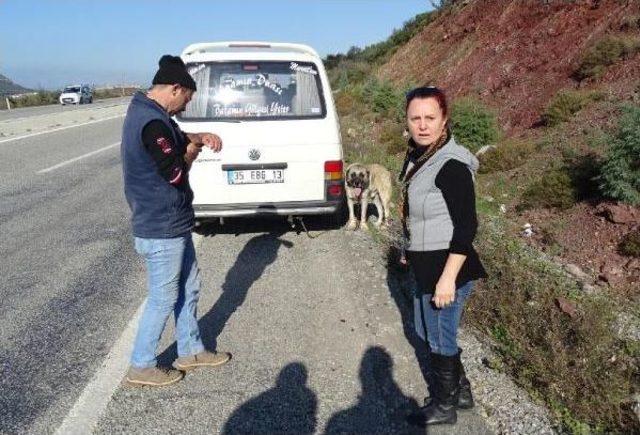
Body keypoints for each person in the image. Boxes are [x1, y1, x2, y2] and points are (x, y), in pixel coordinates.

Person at [121, 55, 231, 386]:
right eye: (187, 97)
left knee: (189, 285)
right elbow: (174, 171)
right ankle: (141, 365)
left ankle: (191, 349)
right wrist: (193, 153)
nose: (188, 103)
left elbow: (177, 137)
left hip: (173, 222)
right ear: (175, 88)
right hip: (161, 226)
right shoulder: (152, 122)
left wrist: (198, 136)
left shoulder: (153, 113)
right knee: (163, 296)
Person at [399, 86, 487, 426]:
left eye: (430, 118)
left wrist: (448, 278)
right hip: (426, 265)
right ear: (407, 121)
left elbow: (467, 226)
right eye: (415, 118)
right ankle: (460, 392)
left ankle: (444, 405)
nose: (422, 125)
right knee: (426, 330)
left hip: (447, 269)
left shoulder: (450, 165)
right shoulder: (420, 156)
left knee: (438, 336)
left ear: (444, 119)